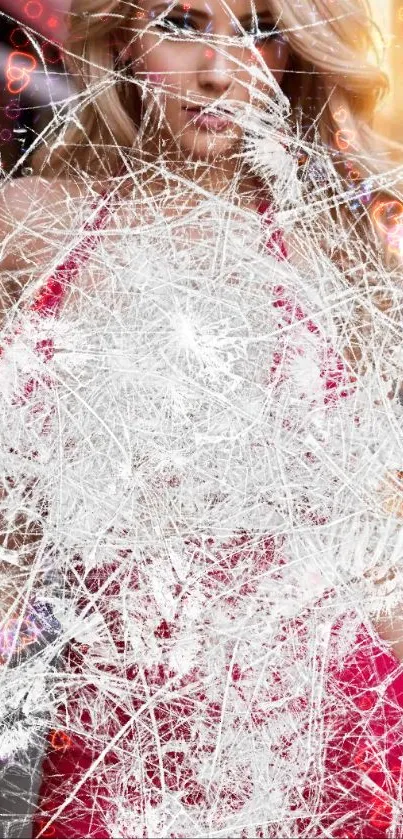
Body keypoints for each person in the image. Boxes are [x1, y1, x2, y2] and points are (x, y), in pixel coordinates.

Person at [1, 0, 403, 837]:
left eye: (259, 27)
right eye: (182, 23)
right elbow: (15, 529)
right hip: (117, 763)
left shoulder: (346, 240)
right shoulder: (37, 229)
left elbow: (383, 526)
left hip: (335, 753)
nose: (218, 70)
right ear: (125, 38)